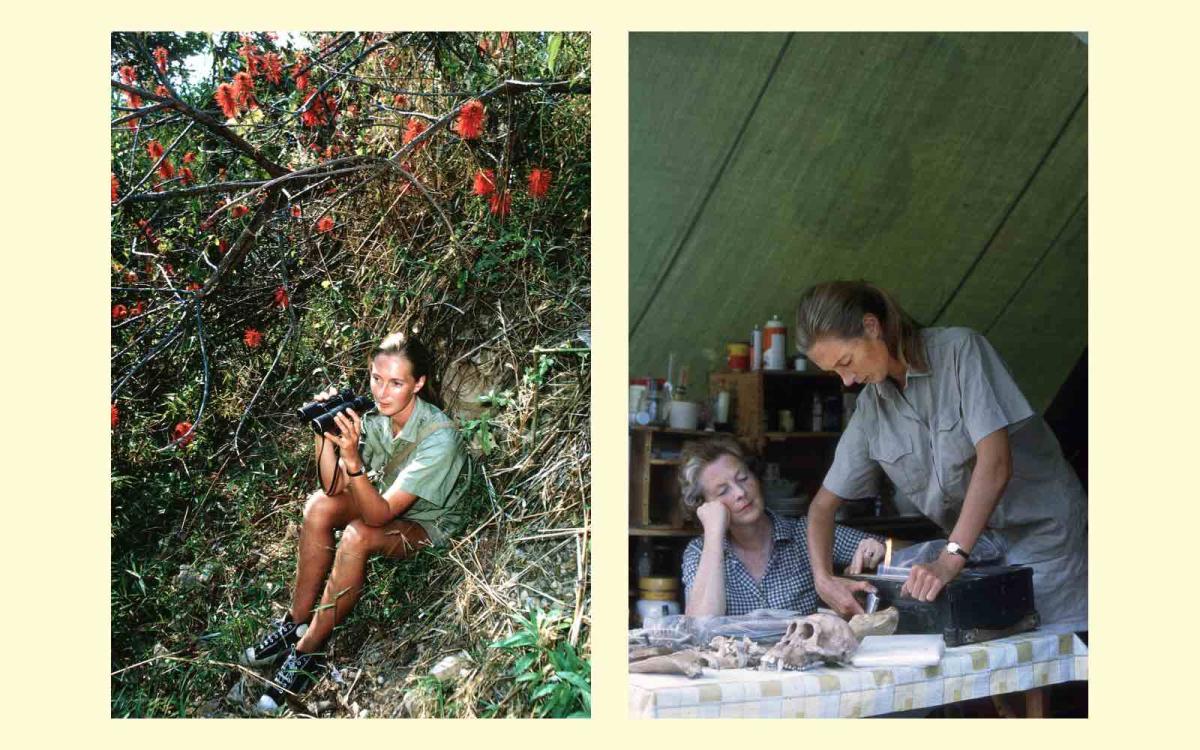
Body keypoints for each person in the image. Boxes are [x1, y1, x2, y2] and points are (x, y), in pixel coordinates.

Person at [796, 280, 1087, 631]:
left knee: (1051, 657)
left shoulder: (961, 351)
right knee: (987, 656)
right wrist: (823, 578)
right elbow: (821, 508)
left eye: (846, 361)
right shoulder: (871, 408)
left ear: (871, 327)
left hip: (1046, 536)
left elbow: (995, 465)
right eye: (835, 372)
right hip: (980, 548)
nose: (846, 380)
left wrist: (950, 559)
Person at [243, 333, 467, 712]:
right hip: (389, 504)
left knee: (358, 534)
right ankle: (295, 622)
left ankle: (308, 648)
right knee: (318, 507)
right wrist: (324, 434)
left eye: (396, 383)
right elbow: (332, 486)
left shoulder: (438, 438)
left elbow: (378, 516)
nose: (382, 392)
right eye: (376, 379)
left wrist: (352, 457)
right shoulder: (379, 419)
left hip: (429, 524)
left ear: (419, 383)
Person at [679, 436, 885, 617]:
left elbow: (904, 554)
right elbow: (700, 625)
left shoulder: (805, 534)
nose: (740, 492)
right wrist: (713, 535)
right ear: (705, 506)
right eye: (723, 491)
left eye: (743, 478)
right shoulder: (699, 552)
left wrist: (878, 551)